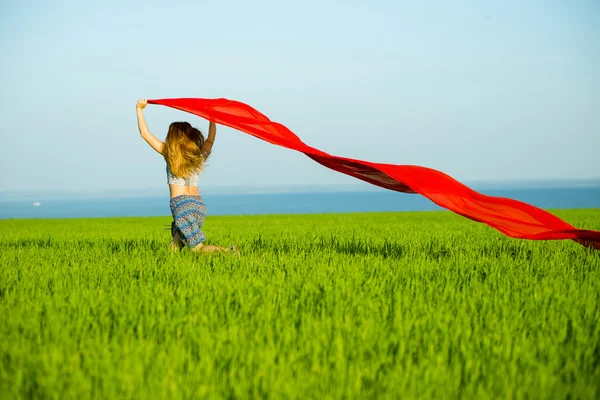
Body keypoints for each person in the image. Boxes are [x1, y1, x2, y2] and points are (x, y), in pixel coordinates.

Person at [136, 99, 237, 254]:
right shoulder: (198, 157)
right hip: (198, 206)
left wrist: (139, 109)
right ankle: (164, 266)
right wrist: (212, 118)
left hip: (182, 205)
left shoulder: (169, 154)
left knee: (197, 249)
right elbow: (210, 139)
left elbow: (145, 134)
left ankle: (228, 252)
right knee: (176, 243)